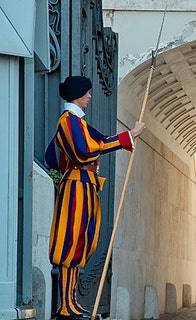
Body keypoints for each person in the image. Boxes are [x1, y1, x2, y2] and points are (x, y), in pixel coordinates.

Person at [45, 75, 146, 320]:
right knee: (70, 245)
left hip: (86, 185)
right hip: (76, 186)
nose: (90, 96)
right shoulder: (68, 121)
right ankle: (65, 306)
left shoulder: (77, 122)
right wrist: (128, 136)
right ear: (78, 94)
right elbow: (85, 151)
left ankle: (71, 302)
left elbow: (97, 142)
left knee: (80, 244)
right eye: (87, 93)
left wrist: (129, 137)